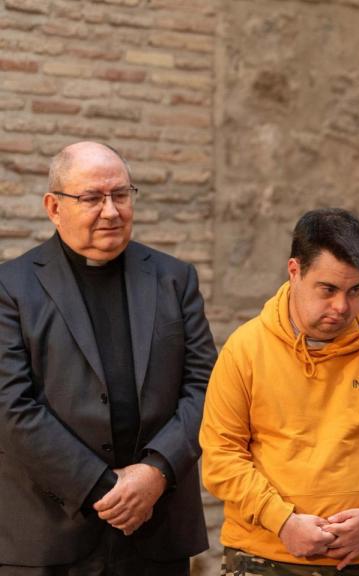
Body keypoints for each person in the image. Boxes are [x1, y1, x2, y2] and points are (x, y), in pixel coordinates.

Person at [0, 141, 216, 574]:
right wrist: (106, 487)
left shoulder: (174, 278)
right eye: (92, 198)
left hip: (157, 527)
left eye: (121, 194)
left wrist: (155, 473)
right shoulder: (11, 286)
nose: (112, 211)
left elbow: (207, 387)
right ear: (53, 206)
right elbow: (11, 406)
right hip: (50, 533)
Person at [200, 208, 359, 575]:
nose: (342, 307)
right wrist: (283, 522)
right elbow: (221, 456)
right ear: (294, 271)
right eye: (328, 290)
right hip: (264, 560)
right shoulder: (245, 349)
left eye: (355, 290)